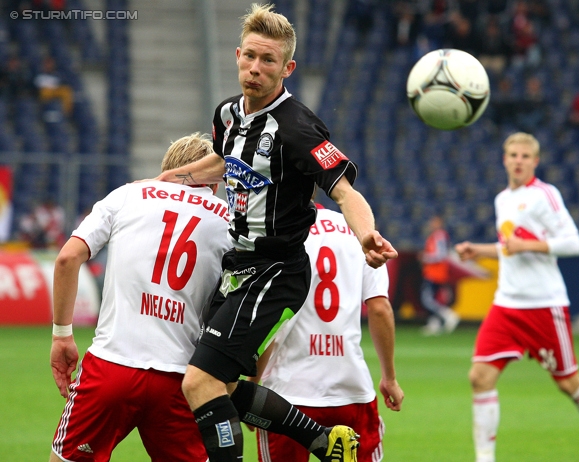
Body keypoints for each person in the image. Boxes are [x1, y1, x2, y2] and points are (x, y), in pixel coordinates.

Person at [154, 4, 398, 462]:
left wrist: (366, 234)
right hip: (237, 268)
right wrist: (175, 178)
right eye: (250, 56)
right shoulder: (227, 115)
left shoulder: (299, 128)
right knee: (219, 388)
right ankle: (326, 444)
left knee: (198, 383)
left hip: (277, 272)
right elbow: (226, 160)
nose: (255, 68)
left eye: (268, 61)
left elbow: (345, 192)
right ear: (237, 55)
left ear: (288, 68)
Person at [49, 133, 231, 461]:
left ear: (167, 168)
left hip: (111, 368)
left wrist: (62, 335)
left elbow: (66, 258)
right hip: (179, 378)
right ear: (214, 182)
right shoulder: (229, 221)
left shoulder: (128, 195)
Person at [455, 132, 579, 462]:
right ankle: (484, 458)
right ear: (504, 159)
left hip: (544, 304)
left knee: (568, 382)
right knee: (480, 377)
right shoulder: (503, 199)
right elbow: (508, 246)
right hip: (506, 304)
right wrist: (481, 250)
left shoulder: (545, 195)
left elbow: (574, 243)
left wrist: (525, 245)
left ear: (535, 161)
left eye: (524, 156)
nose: (518, 160)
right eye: (513, 155)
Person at [252, 203, 404, 461]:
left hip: (288, 393)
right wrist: (389, 377)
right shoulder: (358, 228)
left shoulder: (276, 233)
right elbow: (380, 309)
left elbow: (271, 320)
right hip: (351, 387)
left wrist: (253, 386)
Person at [420, 214, 459, 335]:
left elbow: (441, 254)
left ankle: (448, 315)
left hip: (436, 272)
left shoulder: (439, 235)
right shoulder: (434, 236)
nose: (432, 224)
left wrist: (426, 258)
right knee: (433, 298)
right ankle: (435, 324)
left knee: (427, 299)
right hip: (433, 272)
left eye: (435, 222)